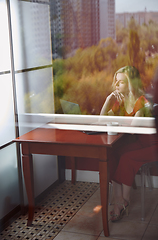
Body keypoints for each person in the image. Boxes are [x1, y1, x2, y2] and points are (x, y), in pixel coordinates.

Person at [100, 66, 158, 222]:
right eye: (116, 82)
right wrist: (108, 101)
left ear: (131, 83)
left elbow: (132, 130)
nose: (117, 85)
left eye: (122, 82)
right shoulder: (122, 99)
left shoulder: (142, 101)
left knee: (126, 157)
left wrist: (116, 123)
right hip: (141, 142)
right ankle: (118, 198)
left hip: (153, 145)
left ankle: (123, 201)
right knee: (114, 153)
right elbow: (101, 120)